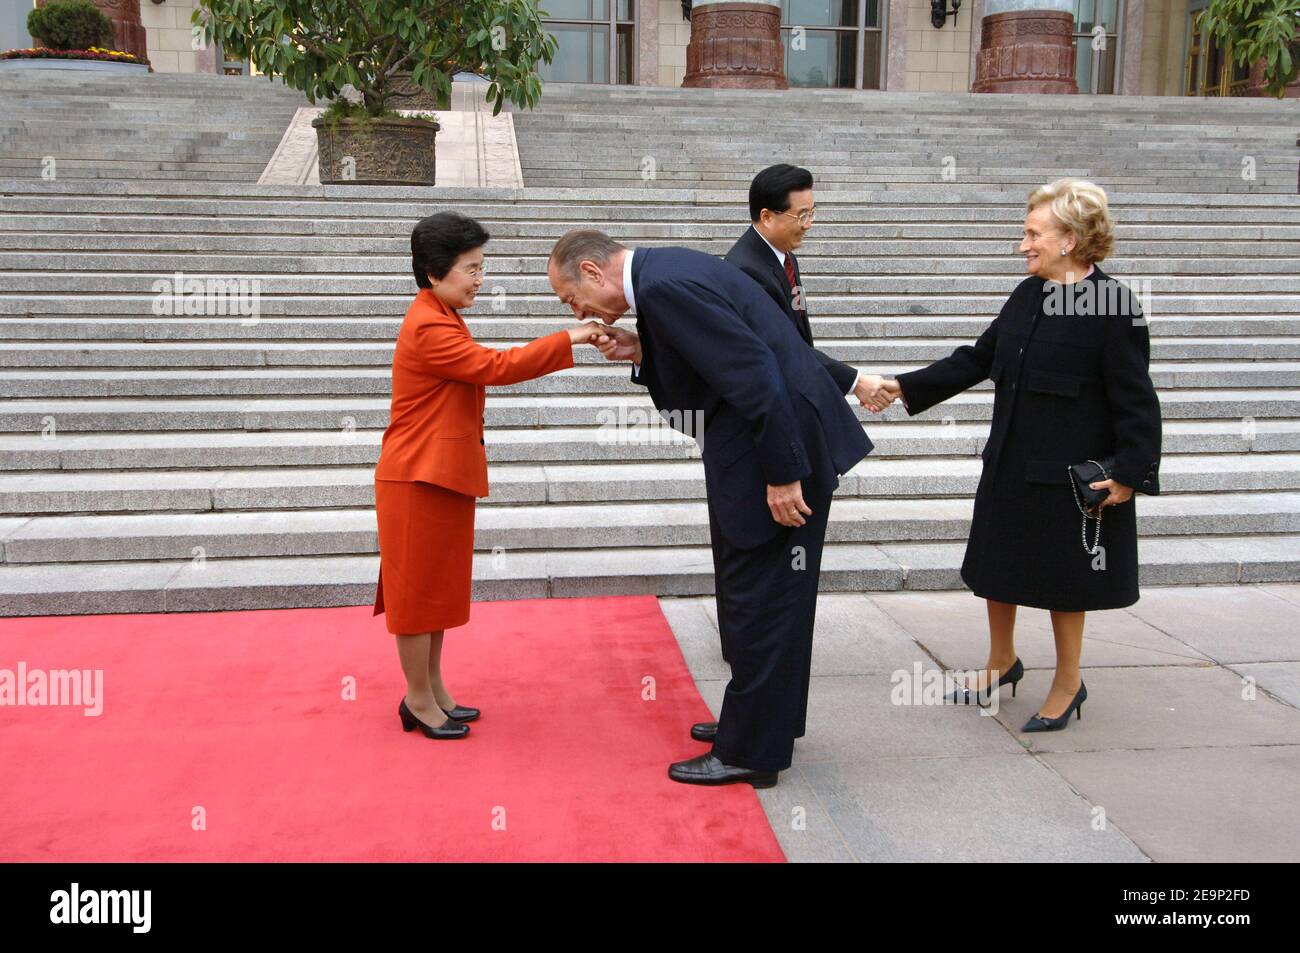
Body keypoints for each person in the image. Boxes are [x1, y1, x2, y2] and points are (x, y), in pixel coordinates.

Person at [547, 229, 872, 787]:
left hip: (772, 452)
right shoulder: (666, 273)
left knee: (761, 602)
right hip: (769, 444)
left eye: (569, 295)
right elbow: (723, 359)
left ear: (594, 272)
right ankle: (763, 723)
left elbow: (754, 374)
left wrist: (782, 473)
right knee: (769, 599)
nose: (575, 309)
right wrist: (641, 350)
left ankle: (751, 751)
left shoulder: (665, 286)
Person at [872, 179, 1162, 732]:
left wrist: (1129, 473)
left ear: (1070, 239)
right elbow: (978, 358)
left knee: (1065, 581)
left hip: (1066, 478)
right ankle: (1001, 662)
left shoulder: (1114, 307)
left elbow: (1137, 400)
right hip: (1009, 463)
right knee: (996, 569)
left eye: (1033, 233)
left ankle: (1068, 681)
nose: (1022, 244)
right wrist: (902, 386)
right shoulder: (1028, 293)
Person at [375, 212, 601, 740]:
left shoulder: (442, 311)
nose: (480, 280)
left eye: (482, 268)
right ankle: (416, 698)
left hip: (440, 474)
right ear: (433, 273)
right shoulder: (429, 323)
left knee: (436, 592)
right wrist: (572, 335)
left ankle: (432, 690)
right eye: (470, 270)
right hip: (416, 478)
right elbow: (494, 367)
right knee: (415, 600)